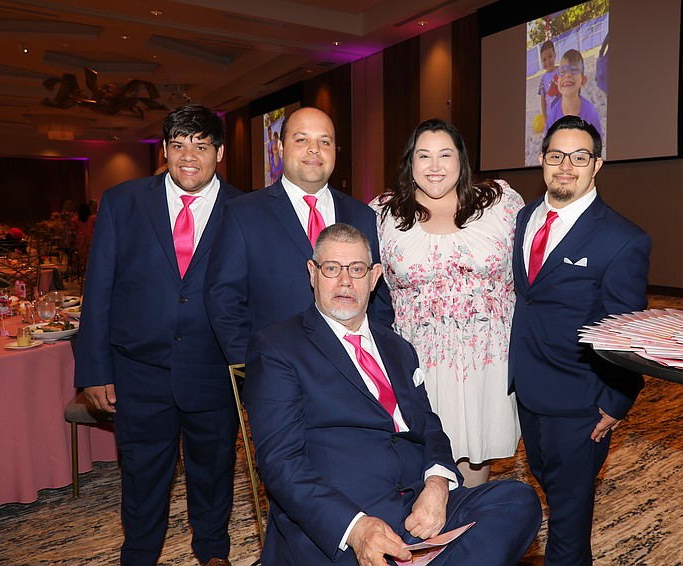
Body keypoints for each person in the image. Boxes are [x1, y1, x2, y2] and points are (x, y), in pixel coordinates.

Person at [245, 223, 543, 565]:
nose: (345, 281)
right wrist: (357, 530)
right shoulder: (277, 346)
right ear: (313, 273)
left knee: (517, 500)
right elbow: (280, 463)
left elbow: (429, 426)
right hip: (343, 520)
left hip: (417, 510)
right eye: (332, 269)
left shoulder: (398, 346)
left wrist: (436, 486)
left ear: (373, 278)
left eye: (356, 270)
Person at [74, 104, 244, 566]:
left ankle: (213, 552)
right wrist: (94, 369)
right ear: (165, 150)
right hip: (138, 374)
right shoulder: (122, 201)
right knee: (142, 477)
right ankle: (140, 554)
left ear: (220, 152)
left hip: (213, 372)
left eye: (202, 145)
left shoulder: (245, 209)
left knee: (214, 473)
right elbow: (99, 290)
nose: (189, 156)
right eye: (178, 145)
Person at [510, 115, 651, 565]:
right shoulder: (524, 217)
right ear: (542, 160)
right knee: (548, 484)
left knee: (569, 523)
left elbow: (626, 328)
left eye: (579, 157)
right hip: (528, 390)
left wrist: (616, 400)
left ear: (598, 164)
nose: (566, 166)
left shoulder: (622, 239)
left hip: (579, 403)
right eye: (556, 156)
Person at [370, 118, 523, 487]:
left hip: (487, 360)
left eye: (445, 155)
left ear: (461, 160)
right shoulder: (383, 214)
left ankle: (469, 538)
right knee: (423, 464)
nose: (435, 166)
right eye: (424, 156)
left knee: (475, 460)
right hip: (419, 361)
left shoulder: (501, 204)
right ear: (410, 162)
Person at [204, 106, 393, 365]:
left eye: (324, 141)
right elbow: (224, 301)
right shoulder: (243, 213)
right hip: (277, 373)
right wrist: (252, 367)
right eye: (302, 139)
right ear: (280, 148)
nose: (314, 149)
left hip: (353, 375)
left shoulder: (361, 215)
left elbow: (378, 300)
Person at [544, 49, 603, 141]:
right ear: (557, 81)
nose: (567, 74)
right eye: (562, 71)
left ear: (583, 81)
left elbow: (597, 143)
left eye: (574, 69)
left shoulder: (591, 113)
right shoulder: (553, 115)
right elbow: (548, 145)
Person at [537, 39, 560, 124]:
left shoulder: (562, 71)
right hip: (552, 117)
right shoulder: (543, 80)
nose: (547, 61)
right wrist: (545, 117)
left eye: (550, 56)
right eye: (544, 59)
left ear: (555, 55)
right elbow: (543, 99)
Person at [71, 201, 96, 267]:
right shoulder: (93, 218)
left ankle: (81, 269)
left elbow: (73, 230)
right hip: (90, 239)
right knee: (89, 256)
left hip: (80, 239)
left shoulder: (75, 218)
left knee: (80, 255)